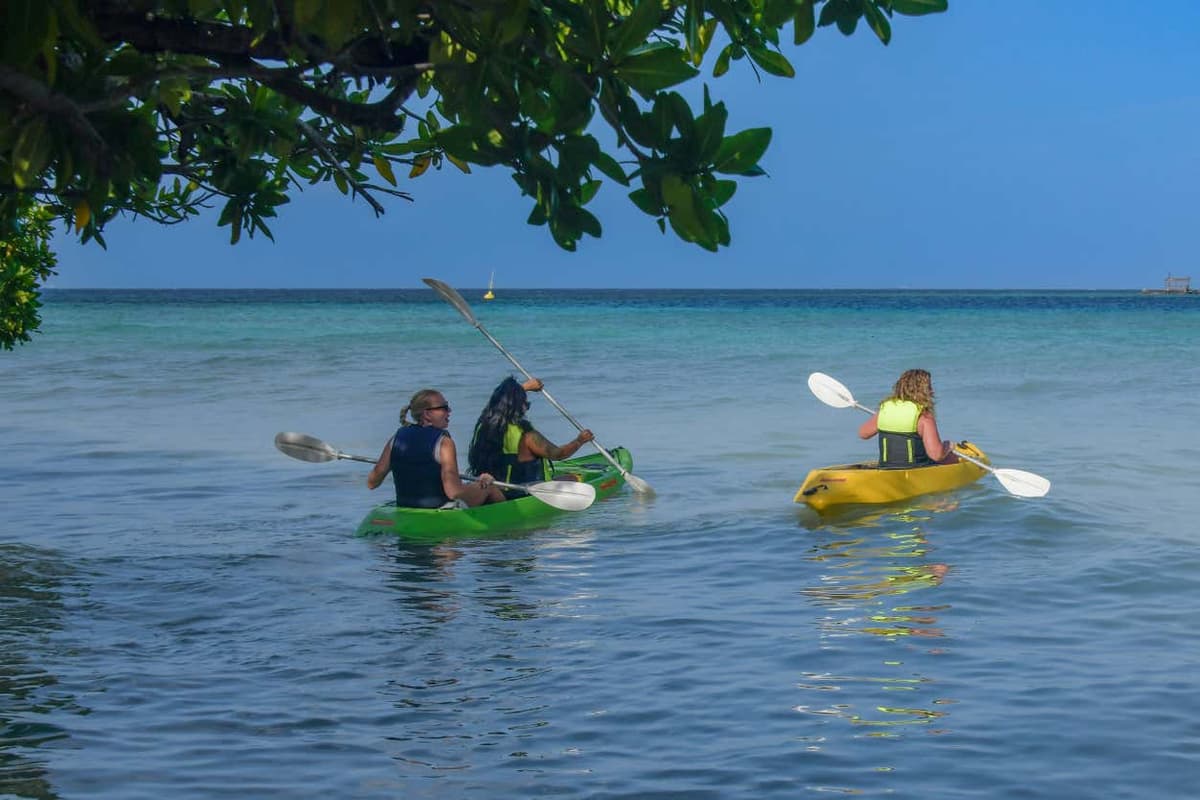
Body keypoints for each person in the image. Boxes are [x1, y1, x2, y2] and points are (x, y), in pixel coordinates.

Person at [367, 388, 505, 508]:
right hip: (440, 508)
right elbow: (453, 492)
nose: (449, 411)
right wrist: (481, 483)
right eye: (444, 407)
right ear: (427, 414)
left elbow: (372, 482)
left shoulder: (396, 438)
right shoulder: (444, 442)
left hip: (407, 505)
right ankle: (508, 522)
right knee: (489, 485)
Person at [467, 376, 594, 491]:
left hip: (493, 490)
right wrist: (579, 441)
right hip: (522, 493)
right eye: (526, 404)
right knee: (573, 478)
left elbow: (497, 402)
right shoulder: (527, 436)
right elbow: (558, 454)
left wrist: (525, 387)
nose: (526, 408)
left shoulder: (484, 426)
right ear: (518, 406)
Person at [857, 369, 958, 467]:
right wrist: (947, 446)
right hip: (916, 469)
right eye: (929, 387)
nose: (932, 391)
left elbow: (863, 434)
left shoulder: (885, 410)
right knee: (952, 458)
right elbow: (936, 455)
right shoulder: (923, 416)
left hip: (886, 467)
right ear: (923, 390)